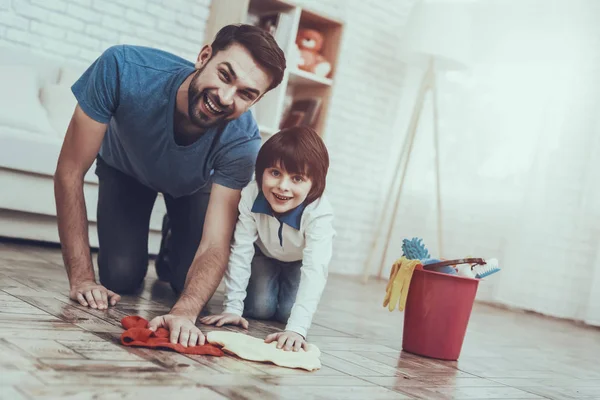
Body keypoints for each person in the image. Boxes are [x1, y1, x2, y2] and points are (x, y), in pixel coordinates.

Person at [53, 24, 286, 347]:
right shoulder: (123, 68)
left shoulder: (243, 142)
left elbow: (216, 242)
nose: (225, 97)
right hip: (125, 169)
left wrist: (185, 312)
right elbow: (69, 171)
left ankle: (172, 240)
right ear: (204, 57)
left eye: (246, 93)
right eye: (224, 75)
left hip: (193, 186)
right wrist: (80, 278)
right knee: (120, 277)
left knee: (184, 284)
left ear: (256, 100)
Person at [200, 126, 335, 352]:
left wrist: (297, 329)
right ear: (260, 171)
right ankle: (268, 282)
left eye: (297, 178)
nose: (283, 186)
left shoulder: (319, 213)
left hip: (297, 262)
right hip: (263, 254)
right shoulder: (251, 194)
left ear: (314, 184)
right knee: (260, 308)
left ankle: (284, 289)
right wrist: (232, 308)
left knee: (286, 314)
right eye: (274, 173)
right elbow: (241, 249)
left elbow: (315, 270)